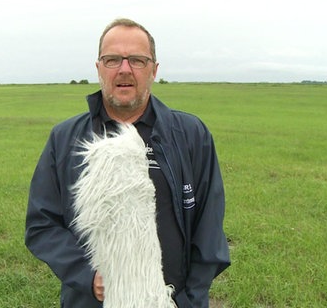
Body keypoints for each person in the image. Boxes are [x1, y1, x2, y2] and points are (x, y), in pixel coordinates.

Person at [25, 18, 230, 308]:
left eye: (137, 60)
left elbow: (208, 232)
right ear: (98, 68)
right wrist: (87, 276)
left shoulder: (191, 135)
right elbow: (41, 225)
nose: (124, 69)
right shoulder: (65, 139)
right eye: (112, 60)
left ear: (154, 70)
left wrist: (190, 300)